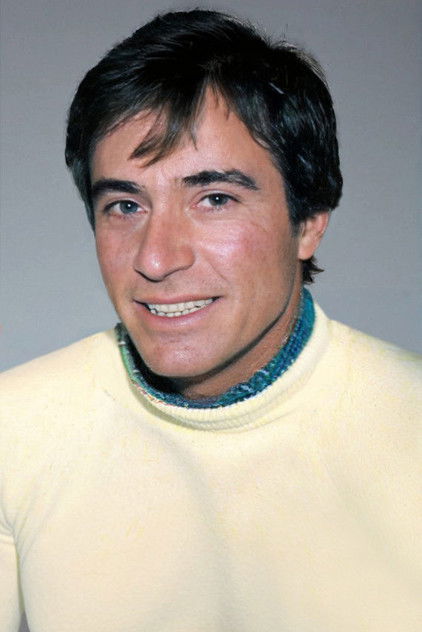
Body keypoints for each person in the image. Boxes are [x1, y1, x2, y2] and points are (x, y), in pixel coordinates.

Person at [1, 9, 421, 632]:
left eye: (215, 198)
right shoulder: (13, 429)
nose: (156, 258)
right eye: (124, 205)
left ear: (308, 222)